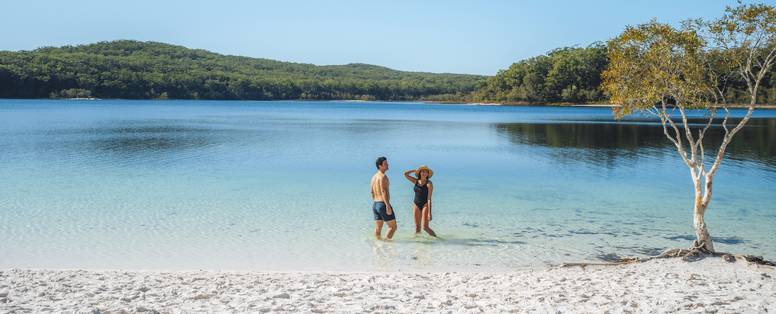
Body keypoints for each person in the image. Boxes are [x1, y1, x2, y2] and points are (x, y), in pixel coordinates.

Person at [403, 165, 436, 237]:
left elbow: (429, 198)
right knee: (417, 227)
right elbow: (405, 174)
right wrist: (414, 170)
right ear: (420, 173)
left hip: (425, 204)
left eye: (426, 172)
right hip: (416, 204)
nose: (424, 173)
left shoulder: (429, 183)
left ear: (428, 174)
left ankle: (437, 239)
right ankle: (417, 244)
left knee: (425, 227)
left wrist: (429, 213)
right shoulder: (416, 181)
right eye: (422, 172)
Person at [371, 156, 397, 240]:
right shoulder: (383, 177)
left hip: (375, 204)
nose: (388, 165)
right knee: (393, 227)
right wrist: (387, 205)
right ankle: (385, 244)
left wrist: (377, 204)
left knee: (378, 228)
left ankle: (378, 245)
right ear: (380, 166)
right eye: (385, 164)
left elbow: (372, 191)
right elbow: (383, 191)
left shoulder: (374, 177)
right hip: (383, 204)